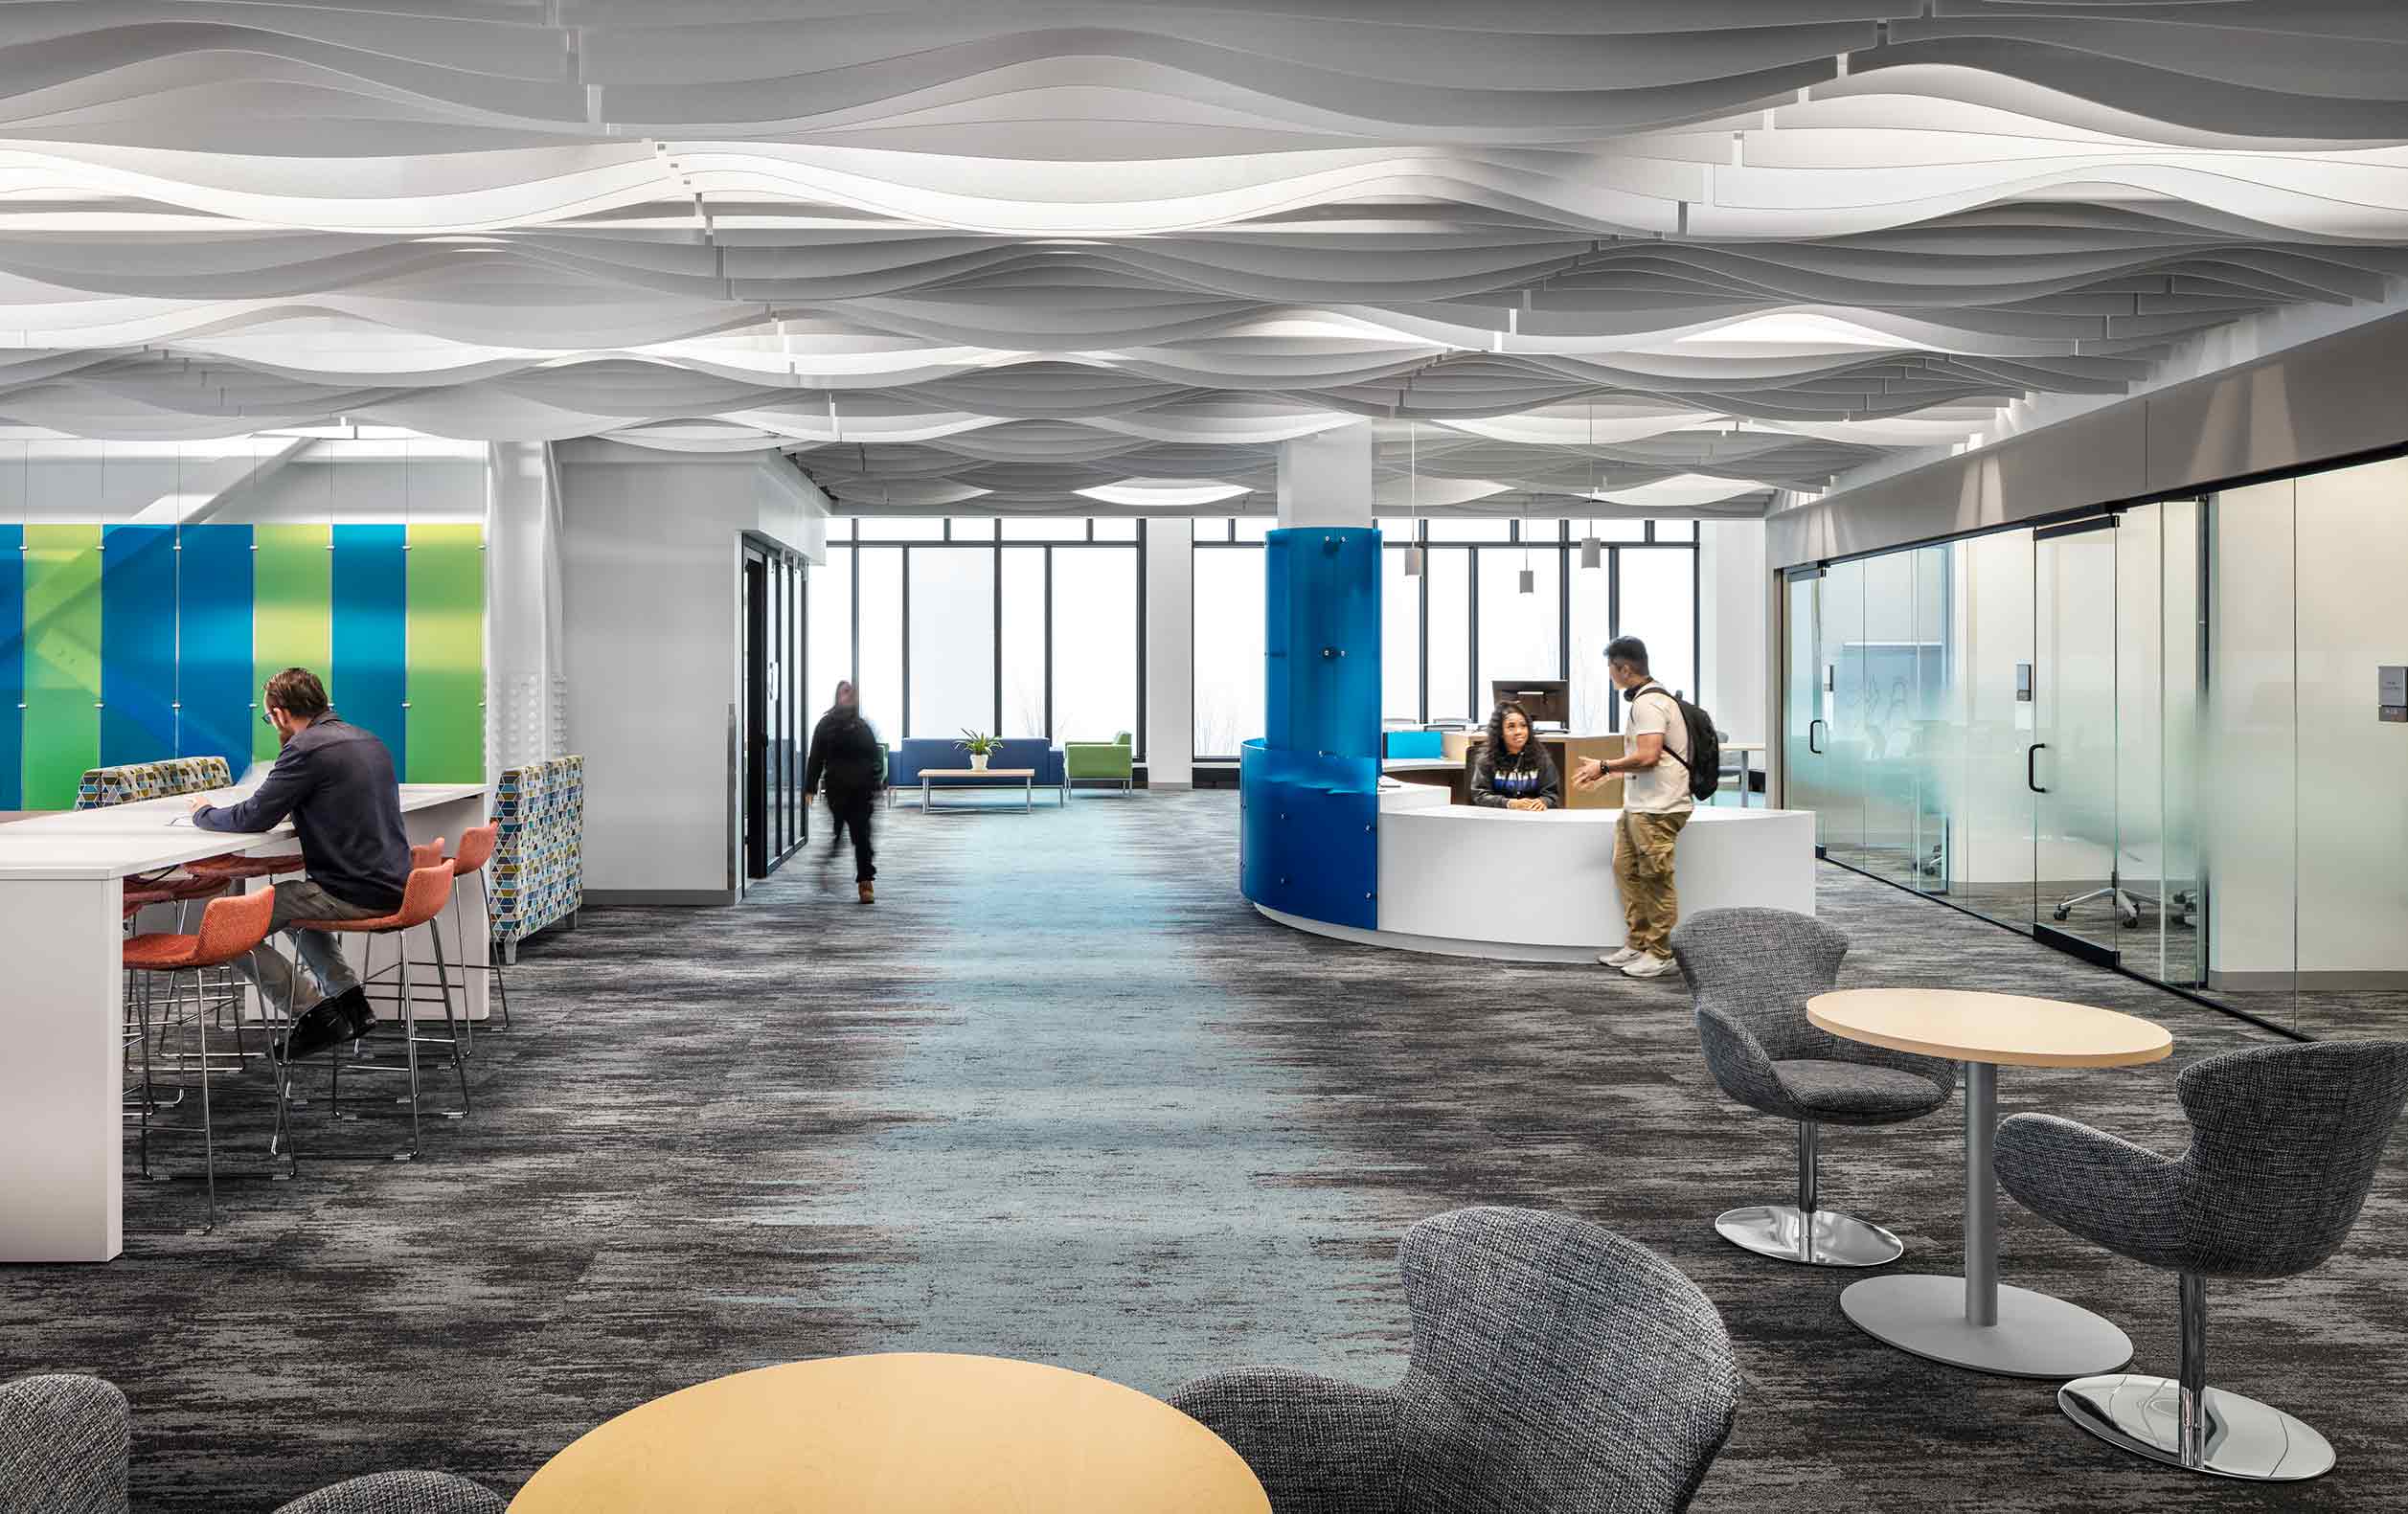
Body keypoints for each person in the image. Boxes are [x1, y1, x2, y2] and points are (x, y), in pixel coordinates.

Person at [188, 667, 410, 1058]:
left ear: (281, 714)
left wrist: (203, 813)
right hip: (394, 882)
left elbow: (253, 817)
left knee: (228, 925)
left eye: (269, 717)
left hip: (355, 891)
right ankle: (351, 1003)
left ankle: (315, 1015)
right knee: (286, 901)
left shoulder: (305, 748)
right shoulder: (369, 740)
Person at [1573, 636, 1692, 979]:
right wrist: (1609, 775)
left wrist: (1605, 766)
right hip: (1640, 804)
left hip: (1659, 807)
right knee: (1626, 869)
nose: (1610, 674)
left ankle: (1660, 950)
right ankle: (1638, 942)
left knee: (1655, 877)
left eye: (1611, 668)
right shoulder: (1646, 699)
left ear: (1624, 669)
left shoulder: (1648, 704)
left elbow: (1650, 755)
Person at [804, 680, 884, 903]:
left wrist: (876, 781)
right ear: (837, 696)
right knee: (839, 833)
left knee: (862, 835)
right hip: (837, 791)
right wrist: (809, 787)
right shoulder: (825, 725)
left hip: (861, 791)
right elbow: (816, 757)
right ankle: (829, 858)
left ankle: (865, 882)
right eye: (844, 692)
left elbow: (875, 757)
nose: (849, 696)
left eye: (852, 693)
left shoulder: (862, 726)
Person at [1468, 700, 1560, 812]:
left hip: (1532, 818)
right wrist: (1509, 803)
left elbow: (1552, 795)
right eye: (1511, 727)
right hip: (1497, 819)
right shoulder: (1486, 760)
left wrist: (1543, 801)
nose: (1519, 731)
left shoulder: (1542, 758)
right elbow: (1480, 795)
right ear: (1500, 732)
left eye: (1523, 726)